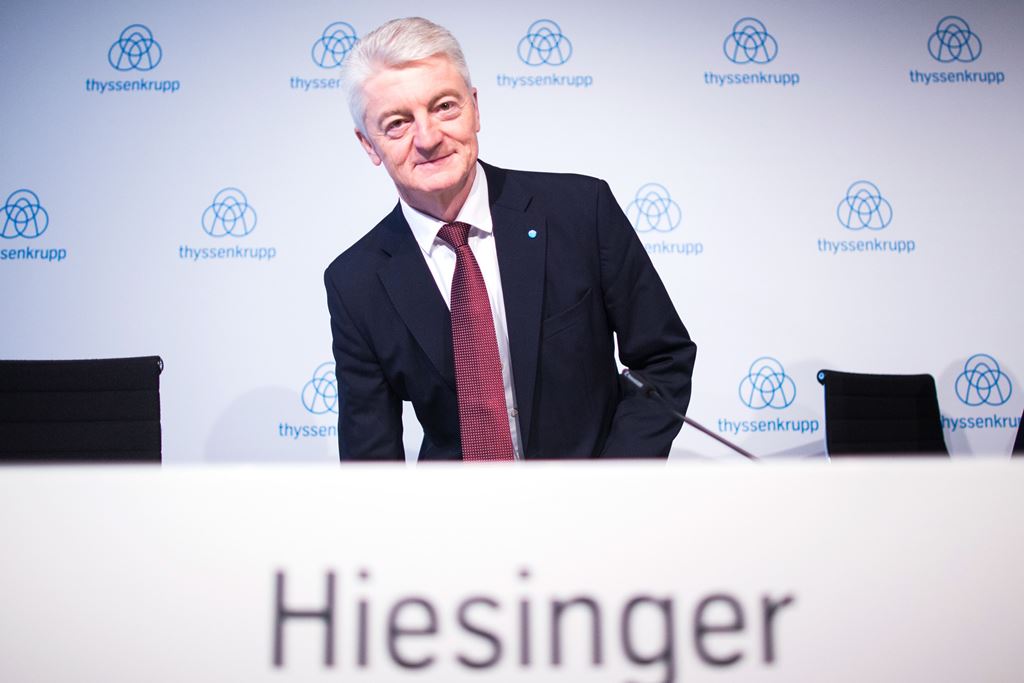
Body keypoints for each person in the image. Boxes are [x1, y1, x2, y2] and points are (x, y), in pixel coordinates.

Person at [324, 17, 696, 461]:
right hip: (458, 520)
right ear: (369, 145)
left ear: (475, 108)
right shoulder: (356, 281)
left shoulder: (581, 211)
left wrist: (613, 485)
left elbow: (663, 360)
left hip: (597, 508)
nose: (427, 138)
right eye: (398, 123)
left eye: (444, 106)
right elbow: (371, 461)